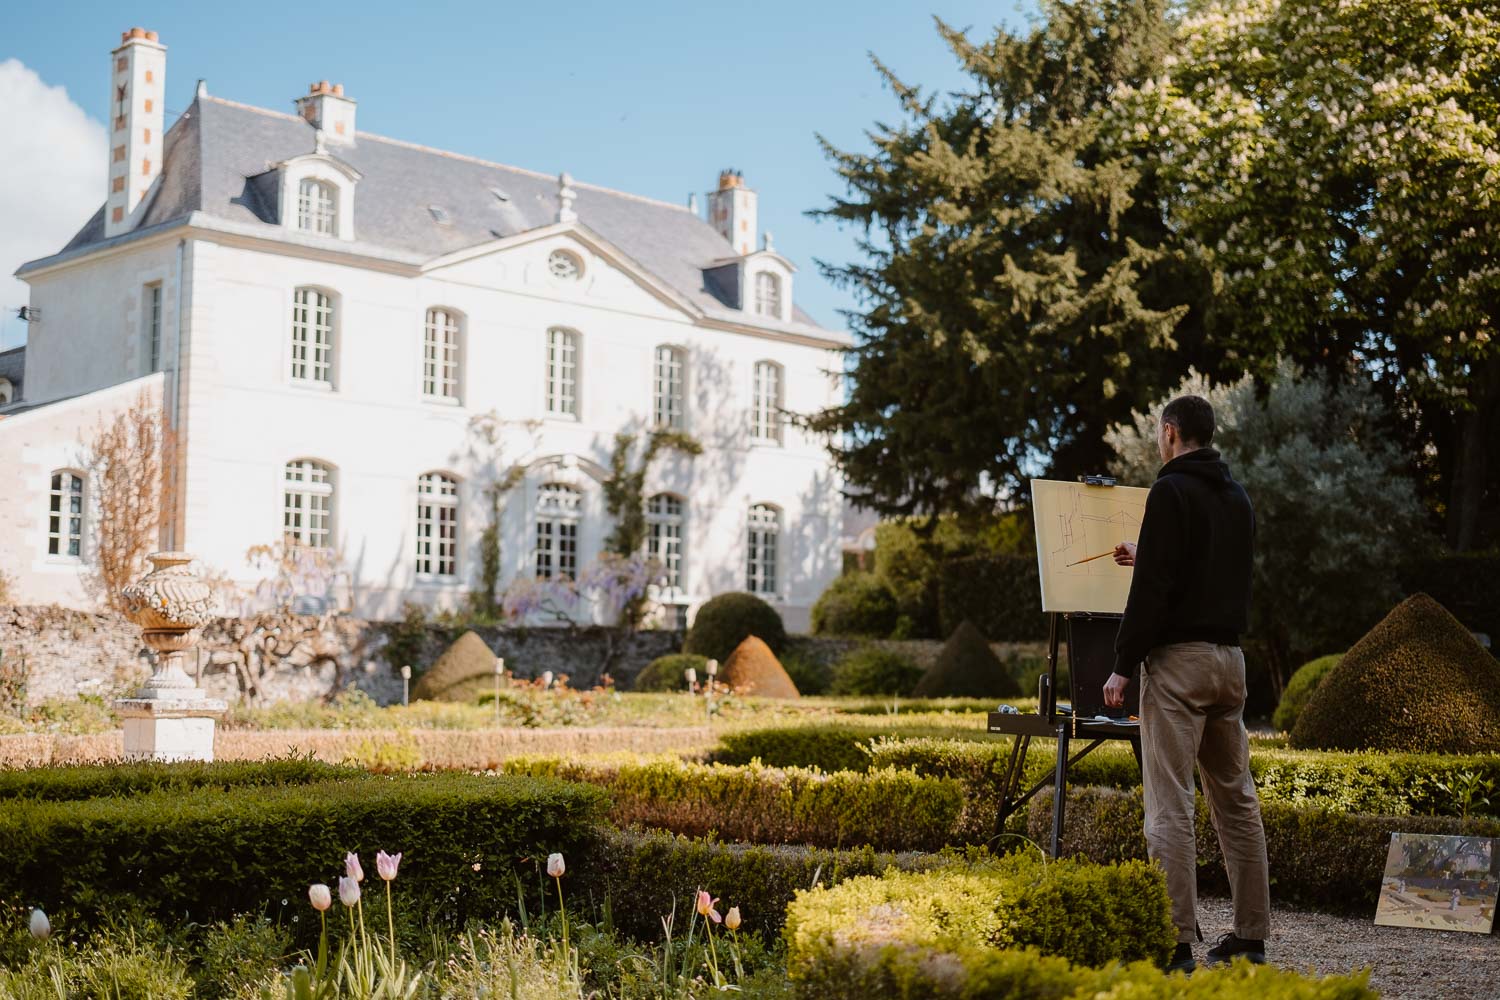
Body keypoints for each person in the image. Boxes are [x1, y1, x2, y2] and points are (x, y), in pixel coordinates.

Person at [1102, 394, 1270, 974]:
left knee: (1170, 802)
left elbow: (1154, 592)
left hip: (1179, 666)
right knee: (1237, 802)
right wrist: (1146, 554)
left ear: (1170, 432)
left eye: (1159, 432)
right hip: (1230, 663)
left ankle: (1174, 945)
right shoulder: (1237, 497)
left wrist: (1123, 663)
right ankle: (1250, 937)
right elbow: (1205, 570)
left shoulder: (1169, 490)